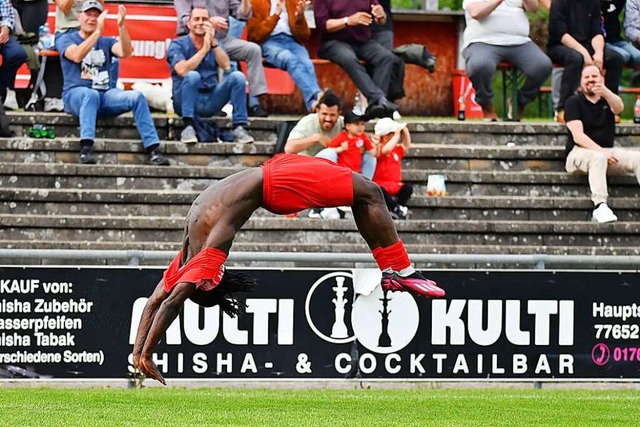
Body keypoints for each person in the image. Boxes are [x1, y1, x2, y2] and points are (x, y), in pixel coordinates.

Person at [132, 153, 445, 385]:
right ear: (207, 283)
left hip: (276, 173)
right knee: (370, 192)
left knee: (362, 189)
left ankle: (394, 270)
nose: (221, 271)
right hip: (277, 184)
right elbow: (170, 303)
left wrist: (140, 354)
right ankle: (400, 269)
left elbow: (159, 300)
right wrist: (145, 353)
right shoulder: (208, 253)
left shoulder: (188, 261)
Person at [57, 1, 170, 165]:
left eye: (96, 15)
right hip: (76, 95)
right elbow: (76, 55)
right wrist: (97, 33)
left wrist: (122, 26)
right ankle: (86, 148)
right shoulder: (66, 38)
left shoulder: (107, 42)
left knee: (137, 96)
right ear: (79, 17)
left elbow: (125, 52)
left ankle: (153, 148)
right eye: (88, 14)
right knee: (90, 94)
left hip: (106, 95)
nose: (92, 19)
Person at [564, 65, 640, 223]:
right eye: (587, 77)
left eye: (594, 76)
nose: (591, 80)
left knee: (637, 158)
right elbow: (578, 136)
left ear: (602, 79)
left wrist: (604, 91)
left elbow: (619, 107)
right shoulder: (573, 102)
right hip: (579, 153)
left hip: (606, 152)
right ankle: (600, 206)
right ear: (581, 81)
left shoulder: (608, 100)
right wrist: (602, 152)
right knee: (598, 158)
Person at [167, 6, 254, 144]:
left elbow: (226, 66)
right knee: (193, 76)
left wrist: (213, 44)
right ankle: (188, 127)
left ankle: (239, 127)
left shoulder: (214, 44)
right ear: (188, 24)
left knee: (237, 77)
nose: (200, 22)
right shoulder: (177, 44)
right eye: (196, 19)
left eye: (204, 19)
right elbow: (182, 70)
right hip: (184, 102)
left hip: (210, 100)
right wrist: (203, 50)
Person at [174, 0, 269, 117]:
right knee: (211, 56)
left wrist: (245, 2)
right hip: (197, 39)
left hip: (222, 39)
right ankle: (214, 102)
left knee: (253, 50)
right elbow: (184, 21)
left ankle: (254, 103)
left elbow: (242, 15)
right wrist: (209, 22)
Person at [313, 0, 404, 120]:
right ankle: (378, 98)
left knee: (387, 57)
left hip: (362, 42)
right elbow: (323, 24)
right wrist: (348, 21)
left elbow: (381, 20)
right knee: (348, 57)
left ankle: (376, 105)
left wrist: (381, 15)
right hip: (333, 42)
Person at [461, 0, 552, 121]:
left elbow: (533, 8)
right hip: (482, 42)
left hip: (519, 42)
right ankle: (486, 104)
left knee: (542, 65)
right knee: (480, 65)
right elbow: (475, 12)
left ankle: (519, 102)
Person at [547, 0, 624, 123]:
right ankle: (563, 109)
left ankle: (609, 108)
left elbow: (597, 33)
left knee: (615, 58)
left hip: (587, 45)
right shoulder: (559, 3)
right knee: (576, 59)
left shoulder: (594, 3)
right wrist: (585, 54)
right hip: (561, 45)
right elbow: (561, 34)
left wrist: (599, 53)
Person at [247, 0, 325, 113]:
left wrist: (300, 18)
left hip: (292, 41)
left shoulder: (293, 2)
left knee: (307, 64)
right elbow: (254, 35)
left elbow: (304, 35)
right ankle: (317, 94)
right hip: (270, 42)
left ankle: (313, 107)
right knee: (290, 59)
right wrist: (276, 15)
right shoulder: (257, 2)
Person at [372, 117, 412, 220]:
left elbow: (406, 145)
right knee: (380, 192)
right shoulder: (378, 148)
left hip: (395, 185)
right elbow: (386, 150)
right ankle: (395, 208)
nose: (397, 137)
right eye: (393, 134)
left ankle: (397, 207)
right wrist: (397, 134)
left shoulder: (396, 150)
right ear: (386, 137)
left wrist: (404, 130)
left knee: (408, 188)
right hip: (382, 186)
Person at [327, 110, 375, 174]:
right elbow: (329, 151)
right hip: (343, 171)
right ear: (348, 126)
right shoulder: (341, 137)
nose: (360, 127)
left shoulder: (363, 136)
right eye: (357, 124)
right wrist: (341, 149)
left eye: (362, 124)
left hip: (357, 172)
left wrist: (376, 144)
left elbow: (373, 152)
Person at [0, 0, 27, 107]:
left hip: (2, 31)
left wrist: (6, 28)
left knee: (18, 54)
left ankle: (2, 86)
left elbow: (7, 13)